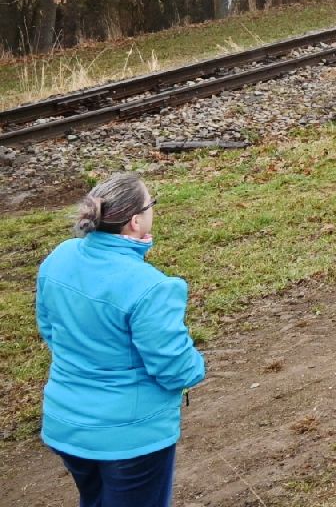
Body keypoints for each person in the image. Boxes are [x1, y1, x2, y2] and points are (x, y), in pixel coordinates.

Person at [38, 173, 204, 507]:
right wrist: (196, 368)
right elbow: (175, 368)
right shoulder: (151, 287)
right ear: (135, 221)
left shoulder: (61, 257)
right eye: (151, 204)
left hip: (66, 425)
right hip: (130, 438)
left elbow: (50, 328)